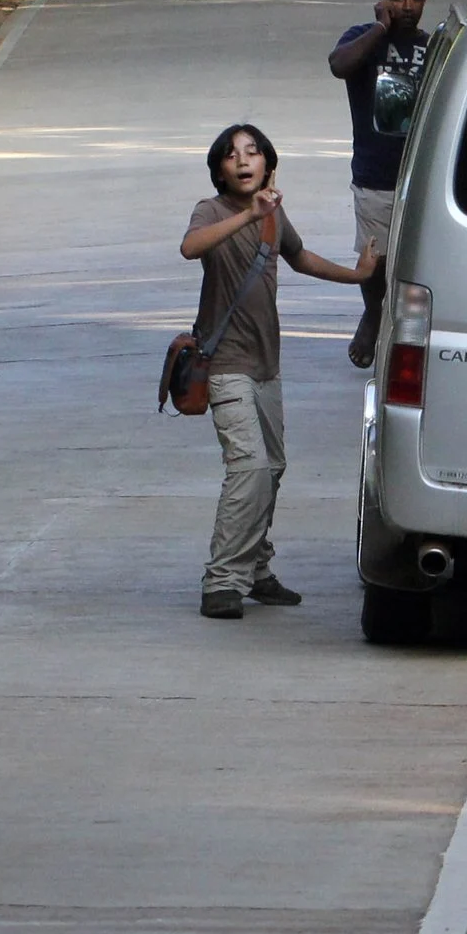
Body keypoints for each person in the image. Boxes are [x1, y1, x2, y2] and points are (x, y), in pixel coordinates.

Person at [180, 122, 373, 619]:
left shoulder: (274, 212)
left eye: (252, 152)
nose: (242, 160)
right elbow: (191, 246)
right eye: (231, 154)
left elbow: (300, 257)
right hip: (225, 365)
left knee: (273, 469)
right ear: (219, 170)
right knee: (249, 468)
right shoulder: (214, 210)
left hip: (266, 364)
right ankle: (222, 581)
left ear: (268, 162)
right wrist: (248, 214)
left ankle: (256, 569)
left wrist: (358, 275)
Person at [327, 0, 431, 367]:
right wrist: (379, 30)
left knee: (419, 258)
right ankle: (373, 313)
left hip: (421, 175)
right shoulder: (362, 38)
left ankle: (408, 328)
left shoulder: (436, 45)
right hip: (374, 174)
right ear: (384, 1)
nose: (408, 7)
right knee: (375, 261)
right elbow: (339, 66)